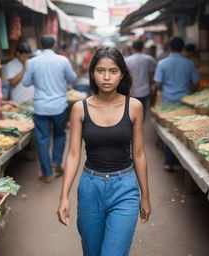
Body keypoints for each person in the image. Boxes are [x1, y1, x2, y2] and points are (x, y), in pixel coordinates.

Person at [57, 46, 151, 256]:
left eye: (113, 71)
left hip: (125, 188)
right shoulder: (80, 109)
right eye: (100, 70)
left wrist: (145, 195)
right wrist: (64, 196)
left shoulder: (134, 106)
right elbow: (73, 154)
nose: (106, 77)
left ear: (122, 74)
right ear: (92, 73)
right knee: (92, 251)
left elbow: (139, 154)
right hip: (91, 188)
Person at [22, 35, 77, 183]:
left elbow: (26, 82)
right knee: (59, 135)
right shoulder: (63, 60)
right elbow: (72, 79)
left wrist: (37, 78)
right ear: (54, 45)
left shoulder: (32, 62)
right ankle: (56, 163)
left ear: (40, 44)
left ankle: (47, 173)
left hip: (41, 107)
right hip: (59, 106)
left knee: (42, 140)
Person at [154, 37, 199, 172]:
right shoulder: (189, 63)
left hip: (168, 101)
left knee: (169, 131)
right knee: (185, 129)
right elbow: (196, 83)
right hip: (184, 101)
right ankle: (185, 164)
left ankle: (168, 162)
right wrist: (190, 90)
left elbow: (157, 83)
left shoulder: (162, 63)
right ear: (182, 48)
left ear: (169, 48)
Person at [125, 40, 156, 118]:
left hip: (131, 90)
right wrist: (152, 88)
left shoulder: (127, 60)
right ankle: (140, 127)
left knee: (132, 112)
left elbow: (126, 76)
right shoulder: (149, 59)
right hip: (144, 91)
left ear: (132, 48)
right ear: (143, 48)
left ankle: (134, 127)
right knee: (142, 112)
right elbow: (151, 76)